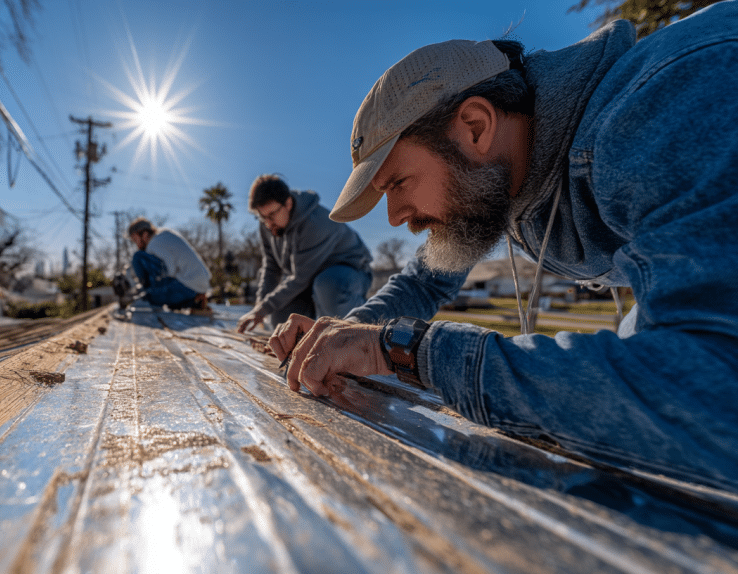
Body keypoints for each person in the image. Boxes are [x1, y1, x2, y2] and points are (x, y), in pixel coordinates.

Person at [269, 1, 738, 492]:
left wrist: (415, 353)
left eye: (399, 183)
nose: (395, 217)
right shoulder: (505, 172)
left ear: (475, 126)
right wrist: (345, 332)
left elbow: (709, 390)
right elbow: (425, 278)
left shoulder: (662, 104)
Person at [236, 174, 373, 333]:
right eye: (262, 217)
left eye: (271, 215)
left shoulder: (316, 223)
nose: (267, 223)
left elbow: (300, 278)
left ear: (287, 203)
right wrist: (259, 309)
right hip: (308, 280)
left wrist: (263, 309)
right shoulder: (269, 225)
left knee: (326, 286)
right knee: (280, 321)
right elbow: (271, 267)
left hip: (348, 274)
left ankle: (360, 319)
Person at [126, 217, 211, 311]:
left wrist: (150, 291)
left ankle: (147, 298)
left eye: (135, 240)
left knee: (138, 257)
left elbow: (171, 270)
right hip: (200, 284)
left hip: (187, 285)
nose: (136, 244)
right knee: (170, 304)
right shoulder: (165, 234)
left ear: (145, 234)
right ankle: (194, 301)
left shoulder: (153, 244)